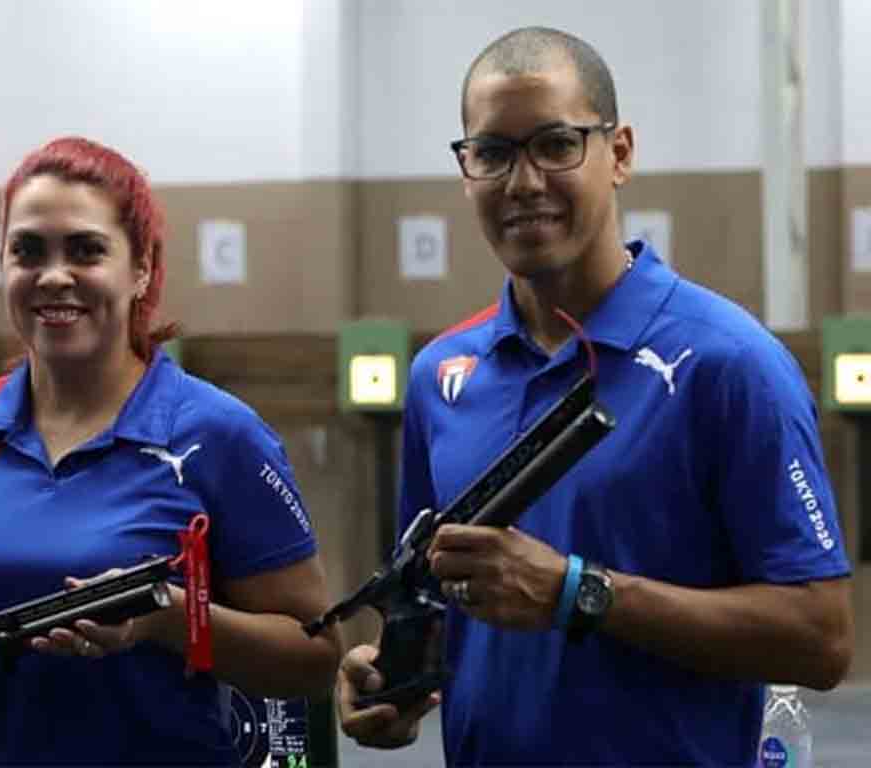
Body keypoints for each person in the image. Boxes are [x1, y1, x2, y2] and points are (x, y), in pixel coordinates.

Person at [336, 26, 855, 766]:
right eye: (492, 153)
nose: (523, 182)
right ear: (466, 170)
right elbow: (444, 599)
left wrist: (579, 592)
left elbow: (821, 638)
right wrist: (392, 679)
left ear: (620, 154)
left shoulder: (728, 365)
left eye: (555, 144)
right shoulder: (441, 379)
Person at [0, 136, 342, 766]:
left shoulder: (221, 434)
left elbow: (314, 657)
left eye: (86, 250)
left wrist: (164, 617)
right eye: (27, 250)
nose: (54, 275)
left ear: (140, 269)